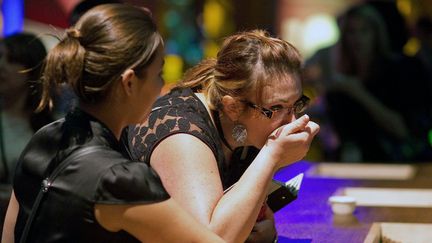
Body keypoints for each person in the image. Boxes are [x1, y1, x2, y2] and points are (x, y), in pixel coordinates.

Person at [1, 4, 225, 242]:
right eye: (158, 74)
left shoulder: (45, 137)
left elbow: (9, 237)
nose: (161, 88)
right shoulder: (119, 179)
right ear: (129, 82)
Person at [123, 30, 320, 242]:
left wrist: (264, 230)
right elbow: (210, 238)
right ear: (232, 107)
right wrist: (271, 156)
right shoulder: (180, 132)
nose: (291, 121)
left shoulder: (250, 123)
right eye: (277, 107)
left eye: (295, 105)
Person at [304, 4, 431, 162]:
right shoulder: (342, 80)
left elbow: (403, 130)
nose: (357, 38)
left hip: (404, 165)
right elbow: (342, 137)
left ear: (376, 33)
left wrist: (357, 92)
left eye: (364, 31)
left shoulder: (402, 70)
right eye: (351, 32)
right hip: (360, 168)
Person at [0, 33, 54, 183]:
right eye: (0, 57)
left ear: (32, 69)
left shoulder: (52, 126)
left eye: (12, 60)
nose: (1, 66)